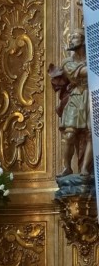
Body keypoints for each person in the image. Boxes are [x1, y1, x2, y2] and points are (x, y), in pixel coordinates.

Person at [48, 29, 93, 176]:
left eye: (75, 37)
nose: (71, 40)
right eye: (71, 37)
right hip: (77, 96)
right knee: (69, 134)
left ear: (84, 40)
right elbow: (82, 73)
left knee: (91, 134)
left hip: (92, 97)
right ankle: (67, 167)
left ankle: (85, 168)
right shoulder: (67, 62)